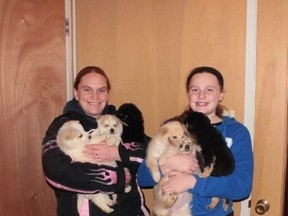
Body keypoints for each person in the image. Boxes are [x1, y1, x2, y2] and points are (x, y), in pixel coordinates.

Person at [137, 66, 254, 216]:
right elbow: (141, 177)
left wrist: (193, 182)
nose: (201, 95)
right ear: (188, 94)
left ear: (221, 94)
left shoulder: (236, 132)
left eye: (209, 90)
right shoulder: (173, 129)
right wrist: (168, 165)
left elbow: (242, 187)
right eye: (195, 90)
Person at [42, 66, 150, 216]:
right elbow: (55, 171)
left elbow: (152, 153)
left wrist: (120, 153)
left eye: (101, 90)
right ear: (76, 92)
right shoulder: (63, 126)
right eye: (87, 89)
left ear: (108, 94)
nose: (95, 96)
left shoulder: (120, 121)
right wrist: (115, 178)